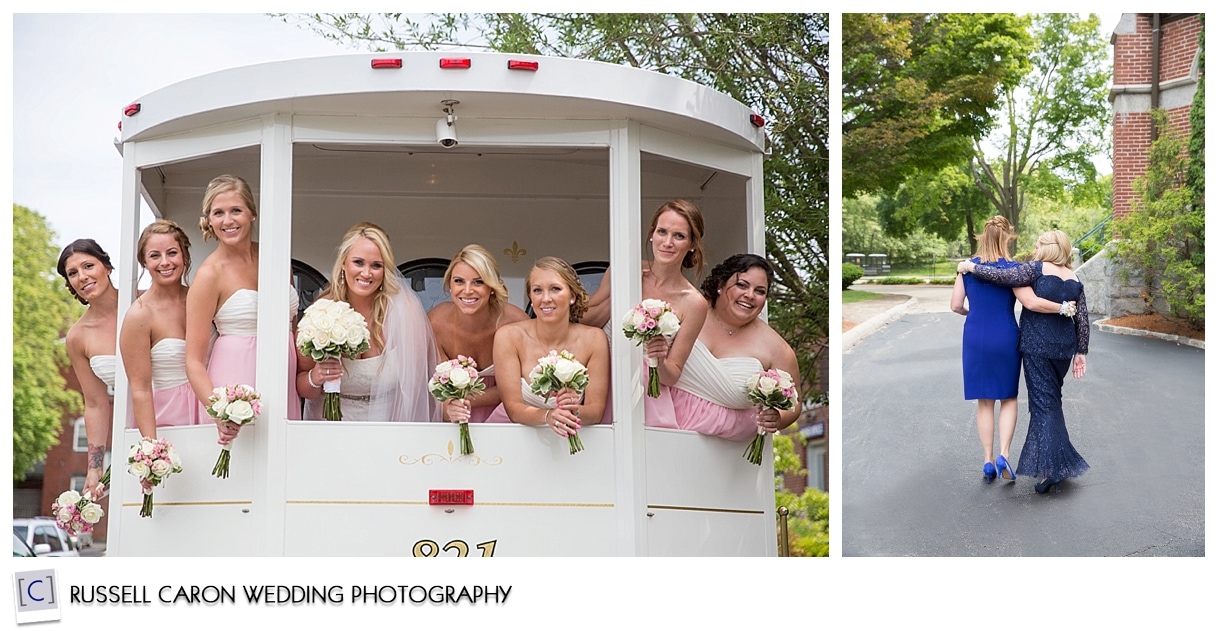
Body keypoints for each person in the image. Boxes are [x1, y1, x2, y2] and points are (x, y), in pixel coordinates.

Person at [959, 230, 1090, 494]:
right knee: (1052, 402)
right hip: (1064, 349)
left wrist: (971, 266)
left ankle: (1051, 469)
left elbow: (1001, 276)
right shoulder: (1074, 277)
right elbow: (1083, 317)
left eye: (1038, 243)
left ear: (1048, 247)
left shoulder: (1036, 269)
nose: (1034, 247)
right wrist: (1081, 352)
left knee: (1044, 406)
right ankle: (1058, 462)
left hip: (1037, 346)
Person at [186, 174, 301, 450]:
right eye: (219, 213)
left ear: (252, 214)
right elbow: (193, 362)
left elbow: (293, 329)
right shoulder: (208, 275)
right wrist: (219, 412)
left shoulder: (278, 260)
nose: (228, 220)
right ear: (209, 221)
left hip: (283, 384)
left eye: (236, 210)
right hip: (234, 384)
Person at [950, 216, 1064, 483]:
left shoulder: (966, 269)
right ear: (1007, 238)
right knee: (1008, 398)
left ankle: (987, 460)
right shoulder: (1014, 270)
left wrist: (973, 313)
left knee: (985, 402)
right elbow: (1029, 301)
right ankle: (1004, 455)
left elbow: (955, 305)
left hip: (975, 335)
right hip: (1005, 335)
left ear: (982, 237)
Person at [582, 199, 709, 427]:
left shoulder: (694, 303)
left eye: (679, 236)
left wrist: (659, 360)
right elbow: (586, 323)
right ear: (652, 234)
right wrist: (622, 290)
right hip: (598, 384)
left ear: (692, 244)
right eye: (662, 232)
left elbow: (673, 374)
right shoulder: (623, 269)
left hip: (645, 399)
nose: (667, 242)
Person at [297, 222, 439, 422]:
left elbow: (415, 388)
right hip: (328, 424)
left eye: (376, 265)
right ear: (344, 263)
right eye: (358, 262)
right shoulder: (322, 310)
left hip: (386, 424)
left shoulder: (405, 309)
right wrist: (316, 376)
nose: (366, 273)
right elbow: (302, 388)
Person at [670, 254, 801, 441]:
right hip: (662, 430)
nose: (750, 295)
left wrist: (777, 417)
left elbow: (794, 404)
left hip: (730, 453)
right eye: (742, 285)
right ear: (720, 285)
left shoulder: (777, 348)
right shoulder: (687, 310)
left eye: (760, 291)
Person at [487, 257, 610, 436]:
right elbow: (513, 408)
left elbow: (596, 411)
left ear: (572, 296)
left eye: (555, 289)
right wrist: (548, 416)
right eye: (537, 290)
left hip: (570, 434)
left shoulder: (594, 339)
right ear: (530, 296)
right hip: (512, 433)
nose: (545, 299)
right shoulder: (508, 336)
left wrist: (573, 411)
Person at [119, 220, 203, 442]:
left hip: (210, 408)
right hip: (168, 420)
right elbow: (140, 390)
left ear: (184, 256)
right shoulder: (139, 316)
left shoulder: (201, 297)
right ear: (144, 262)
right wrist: (153, 450)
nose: (165, 262)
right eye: (155, 255)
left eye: (172, 253)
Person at [427, 244, 529, 425]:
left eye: (478, 282)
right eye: (459, 281)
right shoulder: (436, 322)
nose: (467, 290)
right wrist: (450, 409)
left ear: (491, 287)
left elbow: (524, 386)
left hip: (506, 414)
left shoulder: (516, 322)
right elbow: (438, 390)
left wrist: (467, 400)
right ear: (449, 285)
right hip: (456, 416)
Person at [59, 239, 119, 499]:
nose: (82, 277)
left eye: (88, 266)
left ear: (106, 266)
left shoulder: (145, 304)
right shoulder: (78, 337)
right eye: (73, 273)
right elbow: (95, 403)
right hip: (133, 430)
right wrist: (94, 469)